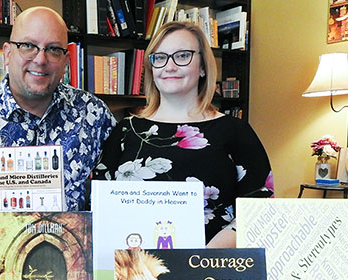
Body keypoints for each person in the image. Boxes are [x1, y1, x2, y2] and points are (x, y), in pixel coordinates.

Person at [93, 21, 273, 248]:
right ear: (151, 68)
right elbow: (100, 206)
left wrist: (204, 258)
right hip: (133, 271)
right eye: (160, 57)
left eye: (182, 56)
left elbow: (262, 205)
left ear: (203, 67)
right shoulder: (126, 131)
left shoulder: (236, 131)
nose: (169, 66)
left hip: (210, 269)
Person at [0, 6, 115, 210]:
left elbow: (116, 192)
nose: (40, 59)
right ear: (7, 54)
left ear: (66, 61)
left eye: (53, 49)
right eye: (28, 45)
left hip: (76, 240)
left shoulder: (93, 114)